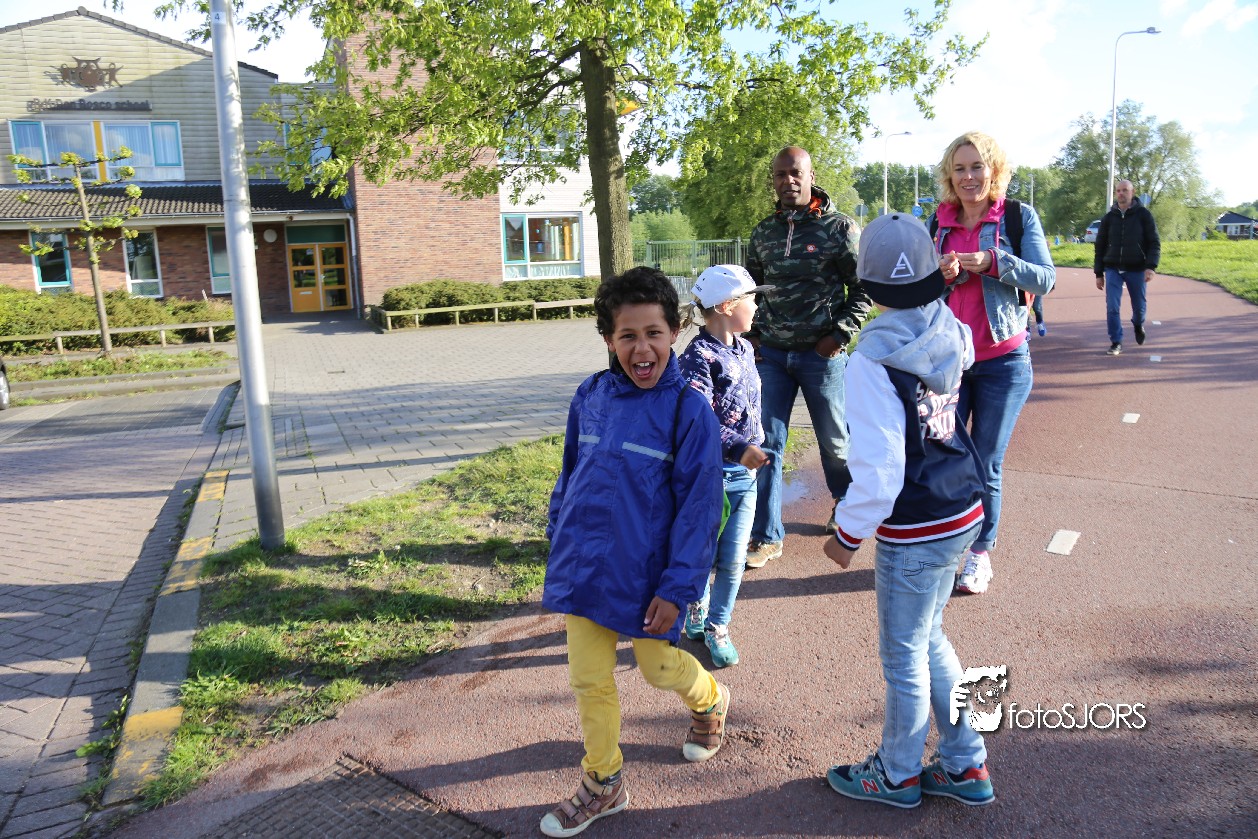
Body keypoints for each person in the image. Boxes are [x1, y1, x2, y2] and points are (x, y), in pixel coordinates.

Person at [539, 267, 731, 838]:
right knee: (588, 679)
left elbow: (700, 510)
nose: (641, 348)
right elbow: (570, 472)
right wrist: (558, 529)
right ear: (609, 339)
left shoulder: (688, 411)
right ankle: (604, 782)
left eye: (653, 333)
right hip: (584, 568)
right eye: (627, 335)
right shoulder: (590, 395)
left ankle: (710, 699)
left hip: (649, 578)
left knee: (658, 668)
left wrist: (677, 589)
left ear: (675, 332)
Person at [822, 211, 994, 809]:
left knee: (903, 655)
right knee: (930, 638)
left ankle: (896, 773)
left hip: (916, 522)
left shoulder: (870, 358)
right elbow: (963, 365)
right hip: (962, 505)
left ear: (867, 284)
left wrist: (848, 532)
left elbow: (881, 469)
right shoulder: (949, 324)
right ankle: (965, 762)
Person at [930, 131, 1055, 596]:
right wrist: (939, 275)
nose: (969, 177)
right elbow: (922, 287)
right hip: (951, 360)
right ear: (950, 175)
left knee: (985, 461)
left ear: (994, 171)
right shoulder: (938, 221)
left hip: (1004, 361)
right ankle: (947, 544)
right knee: (943, 456)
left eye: (977, 167)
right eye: (960, 168)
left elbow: (1045, 279)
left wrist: (993, 261)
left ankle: (979, 553)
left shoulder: (1018, 216)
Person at [744, 146, 872, 568]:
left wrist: (838, 335)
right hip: (772, 356)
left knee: (834, 441)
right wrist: (754, 337)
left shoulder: (839, 228)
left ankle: (845, 502)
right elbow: (750, 290)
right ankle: (766, 535)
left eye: (796, 173)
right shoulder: (763, 232)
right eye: (781, 174)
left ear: (811, 176)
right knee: (767, 441)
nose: (788, 181)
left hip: (823, 356)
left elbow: (864, 288)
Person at [678, 265, 774, 668]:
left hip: (743, 477)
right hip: (707, 479)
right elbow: (696, 421)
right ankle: (696, 608)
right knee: (702, 556)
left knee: (734, 559)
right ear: (726, 306)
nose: (757, 306)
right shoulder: (697, 357)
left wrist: (757, 441)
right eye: (751, 299)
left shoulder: (746, 348)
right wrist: (738, 447)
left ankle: (719, 626)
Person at [1094, 179, 1160, 356]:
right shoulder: (1109, 218)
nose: (1121, 193)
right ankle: (1116, 341)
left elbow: (1154, 242)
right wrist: (1098, 273)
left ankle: (1138, 324)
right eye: (1118, 191)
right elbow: (1099, 246)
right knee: (1112, 306)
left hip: (1137, 268)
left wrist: (1151, 266)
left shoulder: (1144, 215)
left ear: (1132, 192)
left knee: (1139, 307)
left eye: (1124, 190)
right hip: (1113, 268)